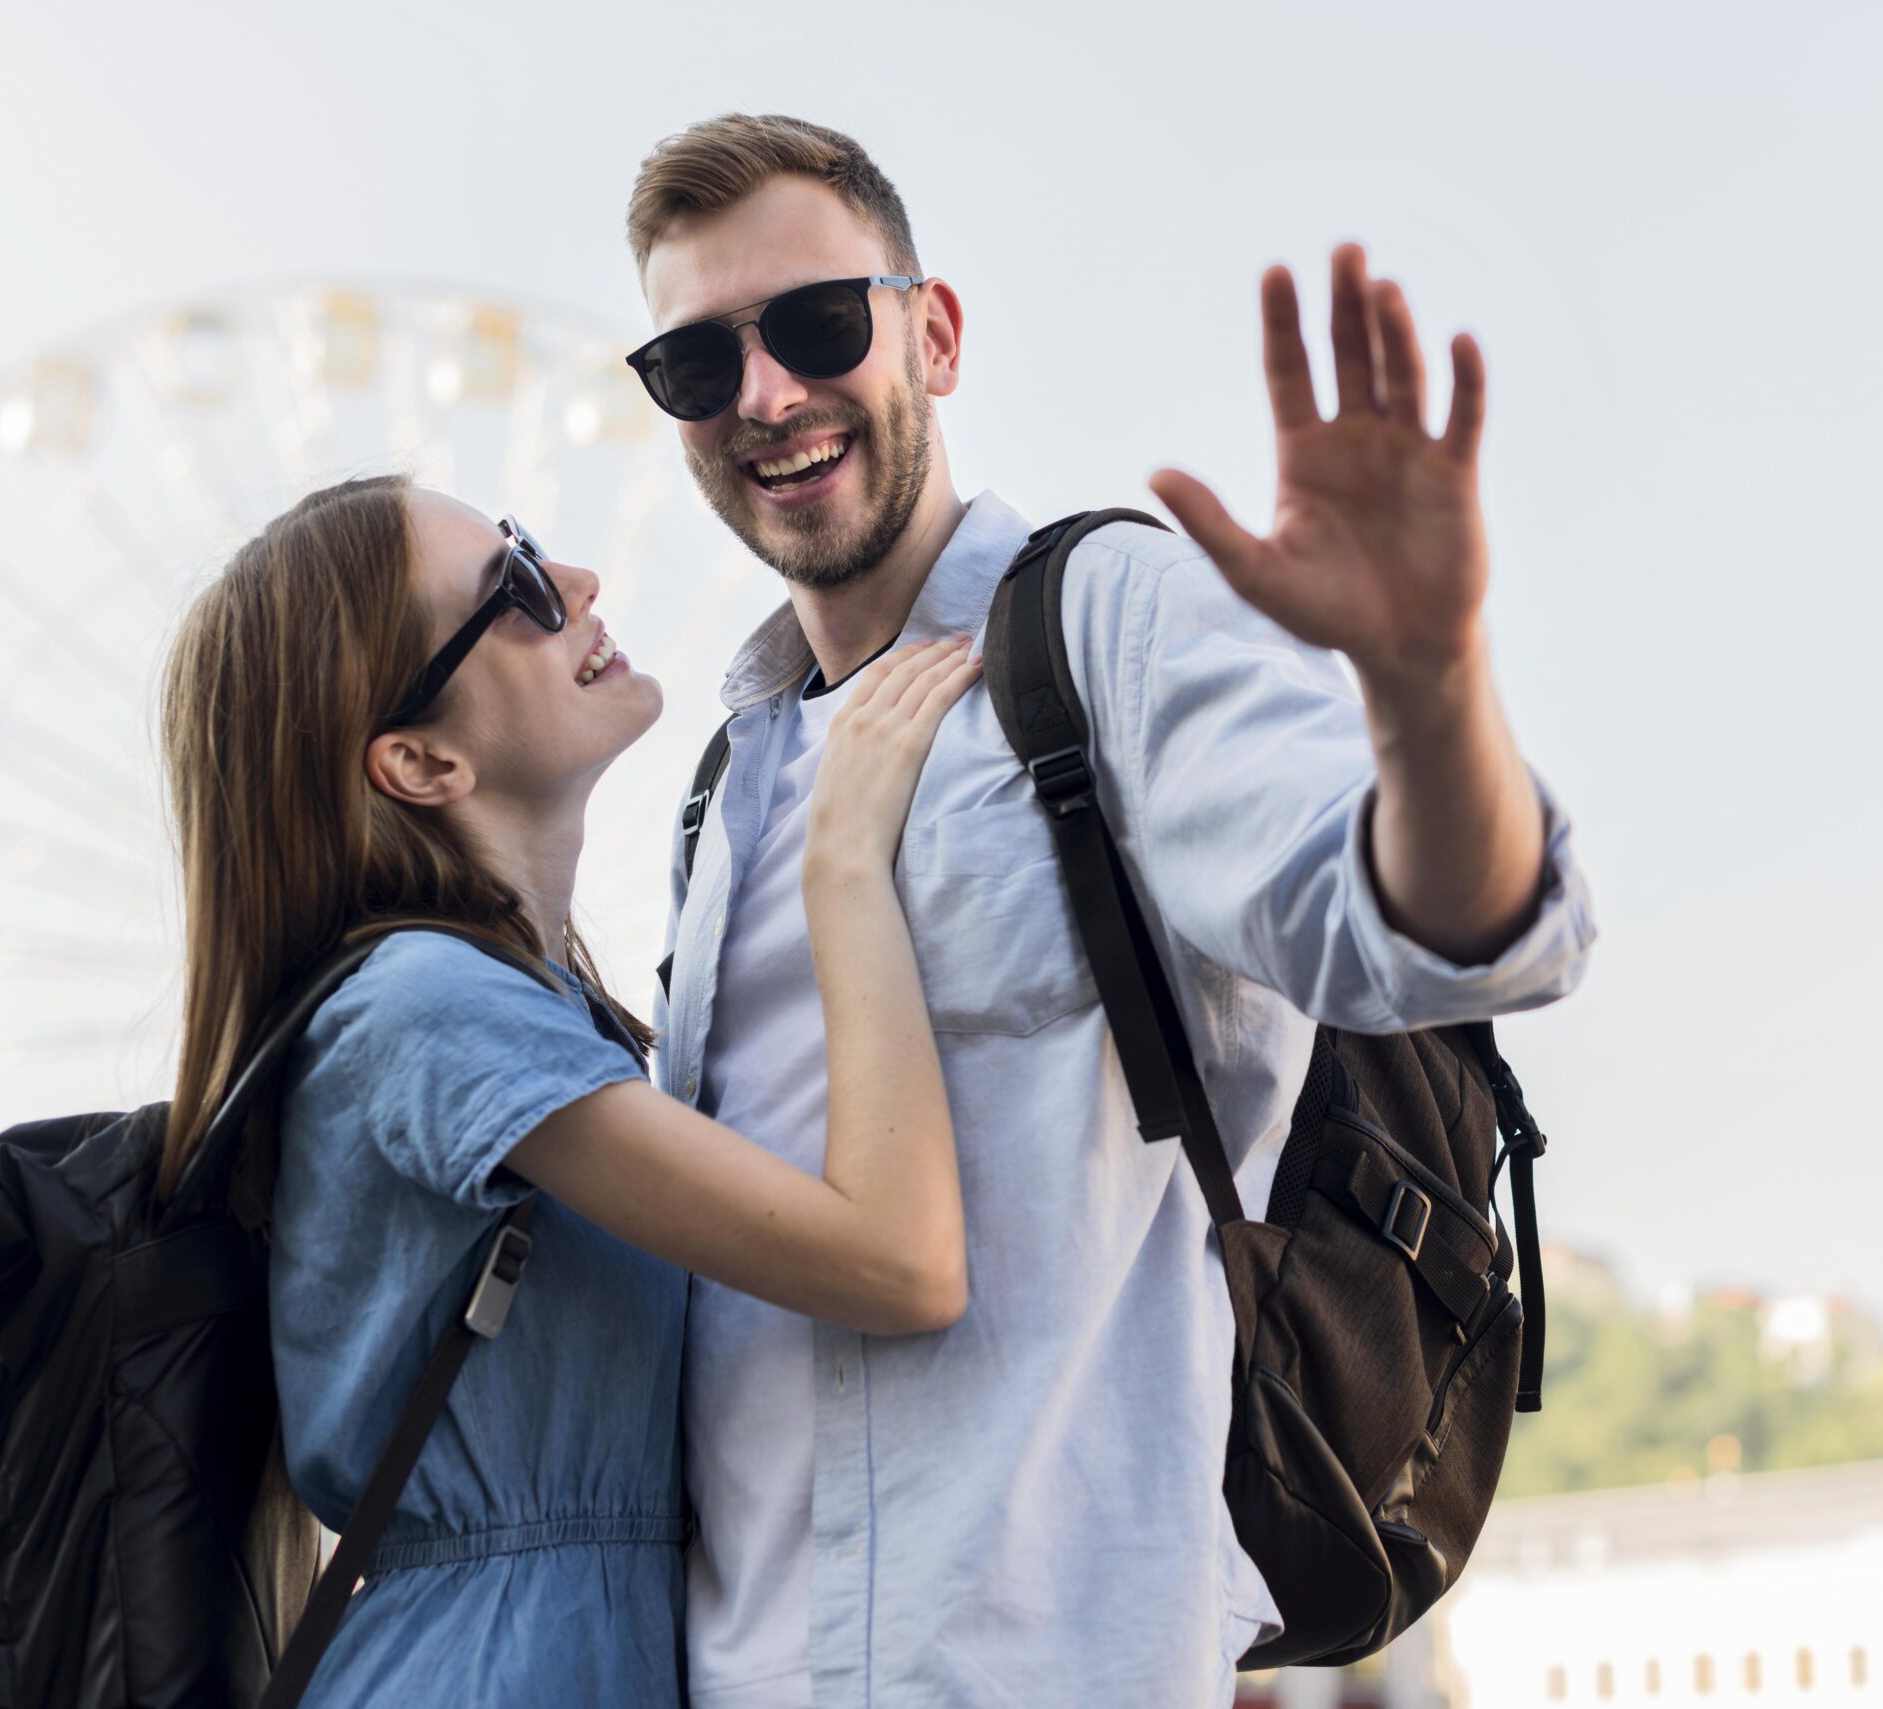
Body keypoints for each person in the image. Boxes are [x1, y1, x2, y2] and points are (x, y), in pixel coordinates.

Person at [626, 115, 1599, 1707]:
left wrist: (1428, 688)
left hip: (1052, 1658)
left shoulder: (1108, 631)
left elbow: (1431, 929)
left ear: (931, 335)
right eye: (694, 363)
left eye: (814, 326)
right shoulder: (723, 784)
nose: (767, 396)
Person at [153, 474, 983, 1706]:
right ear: (421, 759)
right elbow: (900, 1264)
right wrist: (846, 856)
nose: (581, 586)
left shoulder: (525, 1007)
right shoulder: (425, 1005)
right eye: (517, 591)